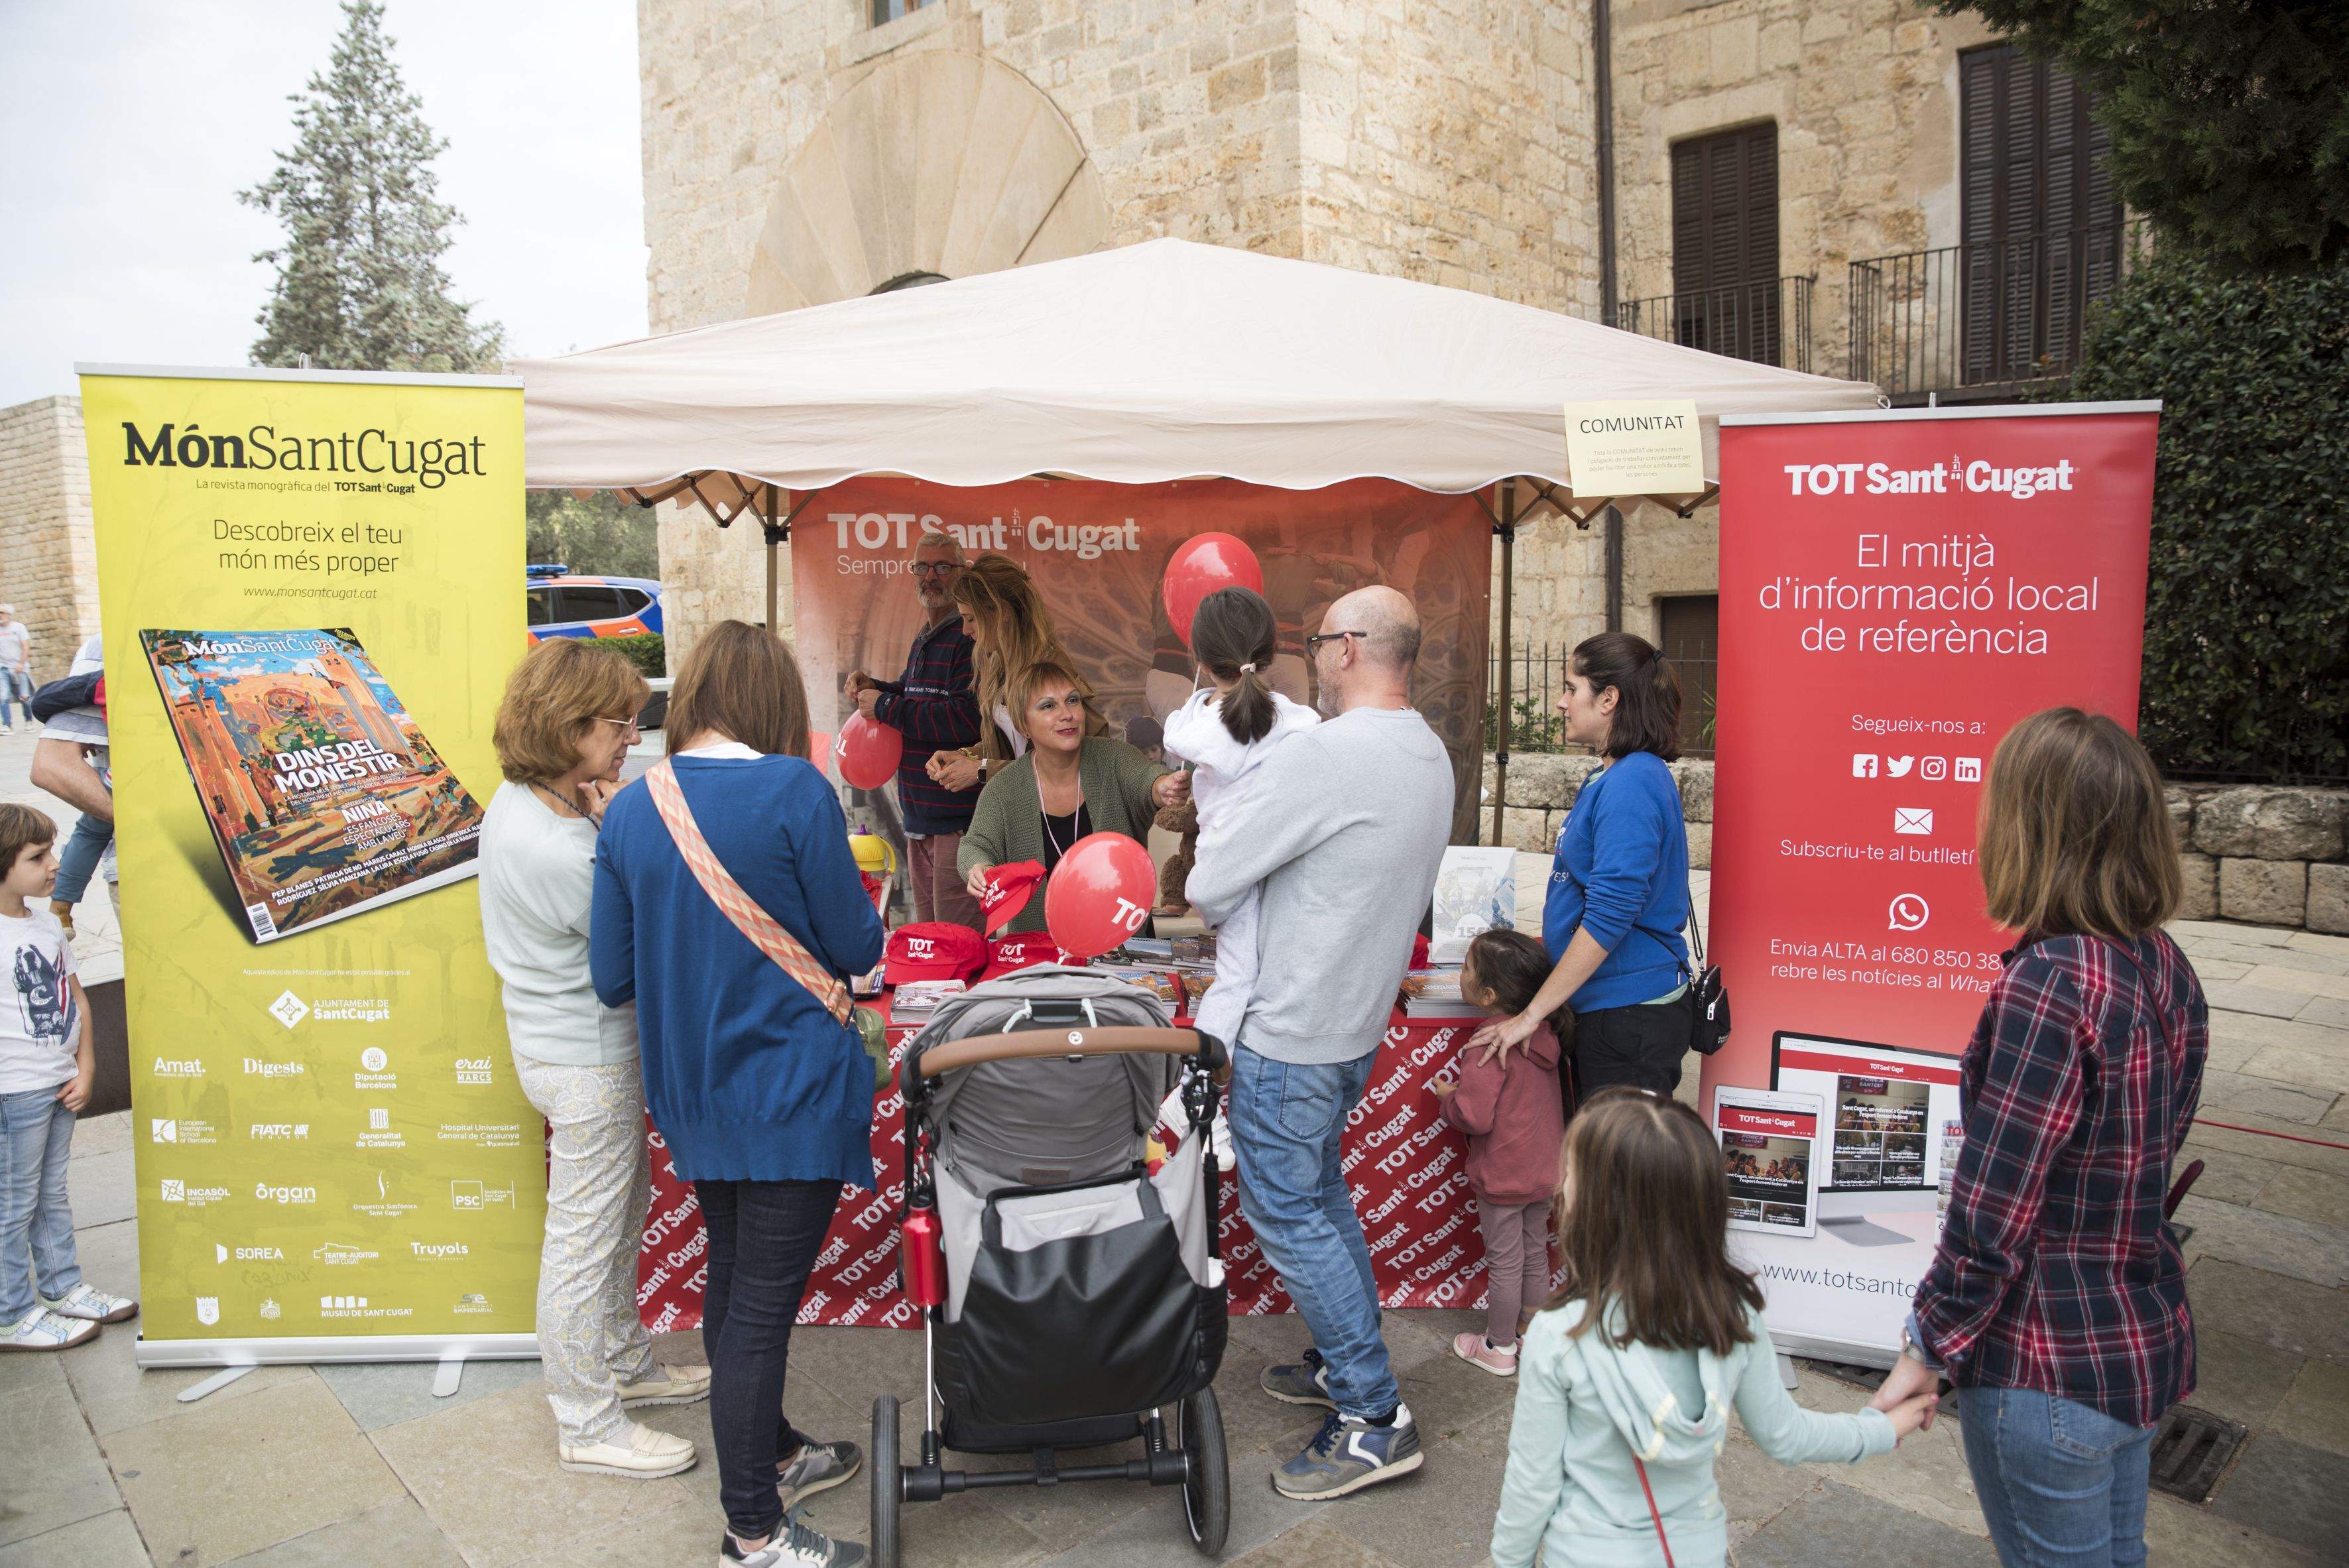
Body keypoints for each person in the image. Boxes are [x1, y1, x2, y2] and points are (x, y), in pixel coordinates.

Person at [1871, 708, 2206, 1568]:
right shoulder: (2162, 962)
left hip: (2044, 1365)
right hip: (2137, 1343)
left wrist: (1926, 1349)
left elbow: (1991, 1214)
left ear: (2032, 827)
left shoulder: (2047, 986)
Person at [591, 620, 880, 1568]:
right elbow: (858, 946)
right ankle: (752, 1530)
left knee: (731, 1279)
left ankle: (779, 1451)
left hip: (693, 1092)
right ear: (773, 703)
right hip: (788, 1087)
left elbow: (610, 974)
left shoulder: (633, 808)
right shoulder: (795, 790)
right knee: (758, 1305)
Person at [1185, 585, 1454, 1500]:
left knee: (1288, 1211)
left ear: (1346, 649)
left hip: (1294, 1025)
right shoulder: (1427, 751)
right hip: (1352, 1024)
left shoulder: (1330, 754)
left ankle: (1375, 1418)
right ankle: (1349, 1366)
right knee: (1319, 1196)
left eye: (1314, 639)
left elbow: (1213, 877)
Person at [1490, 1089, 1934, 1568]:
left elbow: (1531, 1485)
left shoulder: (1558, 1335)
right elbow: (1786, 1435)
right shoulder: (1732, 1313)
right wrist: (1877, 1429)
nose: (1561, 1182)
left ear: (1598, 1204)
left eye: (1571, 1171)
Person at [480, 639, 707, 1479]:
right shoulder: (553, 845)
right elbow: (639, 940)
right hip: (587, 1057)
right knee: (582, 1241)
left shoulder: (535, 800)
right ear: (570, 726)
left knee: (614, 1218)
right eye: (620, 725)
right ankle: (587, 1417)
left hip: (566, 1046)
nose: (630, 740)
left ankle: (623, 1361)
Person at [1470, 633, 1691, 1100]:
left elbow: (1611, 914)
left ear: (1609, 698)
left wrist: (1531, 1016)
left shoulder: (1631, 781)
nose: (1560, 702)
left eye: (1572, 688)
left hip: (1629, 1014)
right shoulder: (1610, 775)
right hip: (1611, 1008)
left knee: (1617, 1169)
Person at [1160, 587, 1319, 1051]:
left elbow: (1179, 730)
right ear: (1270, 652)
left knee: (1236, 970)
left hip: (1220, 867)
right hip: (1271, 863)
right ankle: (1216, 1057)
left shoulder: (1194, 725)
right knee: (1259, 969)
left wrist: (1202, 694)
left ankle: (1208, 1064)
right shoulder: (1290, 720)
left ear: (1199, 656)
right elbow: (1311, 729)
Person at [0, 804, 135, 1351]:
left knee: (51, 1193)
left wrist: (87, 1066)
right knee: (15, 1202)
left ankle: (61, 1287)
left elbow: (76, 998)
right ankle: (12, 1311)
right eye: (38, 856)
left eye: (52, 851)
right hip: (16, 1092)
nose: (54, 865)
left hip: (59, 1083)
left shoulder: (45, 926)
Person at [958, 661, 1189, 932]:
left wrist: (1163, 786)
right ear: (1023, 725)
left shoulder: (1114, 758)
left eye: (1072, 701)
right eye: (1048, 706)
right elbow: (976, 845)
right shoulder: (1004, 787)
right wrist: (978, 868)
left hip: (1122, 946)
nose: (1066, 714)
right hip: (1042, 950)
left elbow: (1145, 779)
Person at [1429, 929, 1567, 1377]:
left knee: (1505, 1259)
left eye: (1466, 967)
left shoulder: (1487, 1043)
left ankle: (1498, 1345)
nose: (1461, 974)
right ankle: (1533, 1328)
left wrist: (1448, 1095)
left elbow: (1475, 1116)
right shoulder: (1543, 1033)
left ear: (1487, 995)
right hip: (1545, 1167)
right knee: (1533, 1249)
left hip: (1504, 1173)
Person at [843, 532, 984, 930]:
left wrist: (885, 706)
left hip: (958, 821)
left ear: (963, 572)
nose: (930, 577)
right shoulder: (926, 634)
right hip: (921, 818)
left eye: (942, 567)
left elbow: (965, 718)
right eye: (922, 567)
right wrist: (876, 686)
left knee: (959, 943)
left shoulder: (968, 637)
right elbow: (914, 693)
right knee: (932, 942)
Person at [926, 553, 1101, 795]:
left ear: (1002, 612)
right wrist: (964, 756)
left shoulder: (1050, 669)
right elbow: (1010, 748)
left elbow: (1067, 762)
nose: (965, 630)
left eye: (971, 619)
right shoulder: (997, 664)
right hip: (1025, 806)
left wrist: (981, 769)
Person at [29, 633, 115, 919]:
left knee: (91, 831)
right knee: (93, 829)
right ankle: (60, 907)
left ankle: (61, 907)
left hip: (119, 772)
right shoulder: (113, 659)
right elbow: (51, 765)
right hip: (123, 776)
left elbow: (48, 699)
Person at [0, 605, 30, 733]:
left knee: (24, 697)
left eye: (2, 613)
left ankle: (29, 721)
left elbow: (25, 646)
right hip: (3, 668)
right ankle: (7, 724)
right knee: (3, 696)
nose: (0, 615)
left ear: (9, 614)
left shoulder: (18, 628)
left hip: (19, 667)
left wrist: (21, 663)